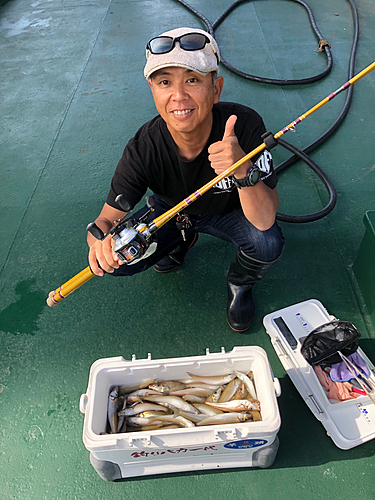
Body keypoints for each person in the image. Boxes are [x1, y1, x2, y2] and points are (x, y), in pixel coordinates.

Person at [87, 27, 285, 332]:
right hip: (172, 212)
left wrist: (242, 171)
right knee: (121, 260)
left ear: (216, 88)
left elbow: (264, 218)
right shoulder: (143, 148)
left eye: (192, 80)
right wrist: (99, 243)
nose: (178, 96)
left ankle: (239, 283)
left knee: (267, 242)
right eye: (165, 82)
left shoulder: (245, 125)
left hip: (230, 212)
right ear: (153, 91)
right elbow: (104, 221)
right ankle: (182, 239)